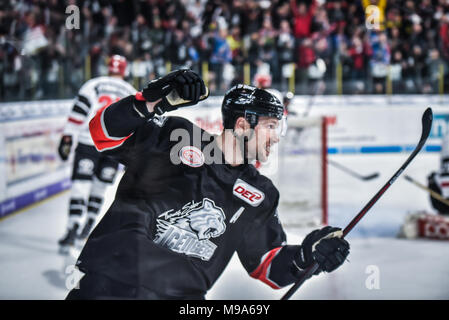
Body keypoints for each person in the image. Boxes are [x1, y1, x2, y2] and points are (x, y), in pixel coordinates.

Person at [65, 69, 350, 300]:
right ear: (241, 125)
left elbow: (268, 264)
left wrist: (308, 256)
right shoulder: (175, 135)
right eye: (272, 127)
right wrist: (148, 102)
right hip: (107, 287)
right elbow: (101, 134)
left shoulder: (260, 193)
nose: (278, 137)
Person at [57, 55, 137, 254]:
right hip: (114, 146)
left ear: (108, 67)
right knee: (100, 187)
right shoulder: (131, 92)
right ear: (125, 71)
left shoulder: (93, 84)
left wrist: (67, 136)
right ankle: (89, 224)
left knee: (80, 184)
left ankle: (73, 225)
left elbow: (79, 111)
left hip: (88, 141)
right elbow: (137, 124)